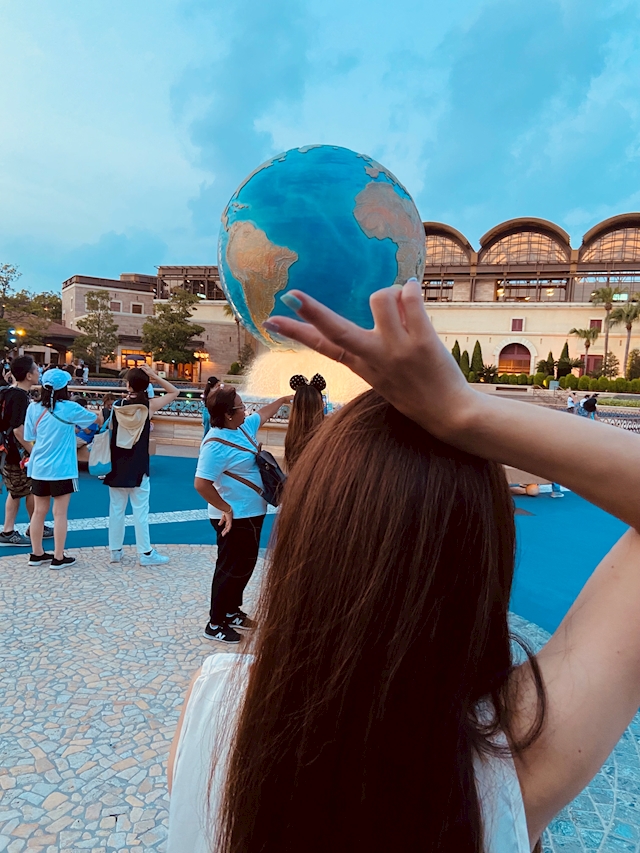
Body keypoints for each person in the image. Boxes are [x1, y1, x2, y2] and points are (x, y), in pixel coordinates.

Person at [168, 280, 640, 852]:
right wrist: (465, 413)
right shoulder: (518, 751)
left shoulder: (214, 708)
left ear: (309, 538)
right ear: (482, 552)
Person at [194, 385, 293, 643]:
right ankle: (215, 622)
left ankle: (231, 610)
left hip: (252, 512)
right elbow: (201, 483)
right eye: (241, 407)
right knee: (228, 568)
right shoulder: (215, 445)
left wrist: (283, 399)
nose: (246, 411)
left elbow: (263, 414)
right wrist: (226, 508)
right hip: (232, 518)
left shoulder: (242, 428)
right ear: (228, 414)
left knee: (245, 565)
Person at [104, 366, 179, 566]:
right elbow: (174, 392)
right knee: (140, 511)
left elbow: (109, 428)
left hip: (116, 465)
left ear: (128, 384)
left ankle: (115, 551)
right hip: (138, 465)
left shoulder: (117, 405)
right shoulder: (148, 406)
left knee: (116, 510)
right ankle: (145, 553)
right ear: (146, 385)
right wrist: (155, 376)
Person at [24, 368, 99, 568]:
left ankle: (36, 553)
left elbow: (29, 436)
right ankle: (58, 557)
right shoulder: (70, 407)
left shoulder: (33, 408)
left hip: (39, 466)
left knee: (39, 511)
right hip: (62, 468)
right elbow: (93, 420)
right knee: (60, 513)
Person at [0, 356, 54, 547]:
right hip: (17, 453)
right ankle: (11, 530)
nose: (39, 372)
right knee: (25, 490)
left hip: (8, 450)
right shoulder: (20, 397)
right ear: (29, 375)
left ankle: (33, 525)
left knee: (20, 490)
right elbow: (18, 429)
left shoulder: (8, 392)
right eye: (36, 370)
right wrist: (34, 451)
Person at [284, 373, 326, 470]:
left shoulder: (292, 437)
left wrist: (282, 400)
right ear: (320, 405)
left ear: (295, 408)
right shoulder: (328, 435)